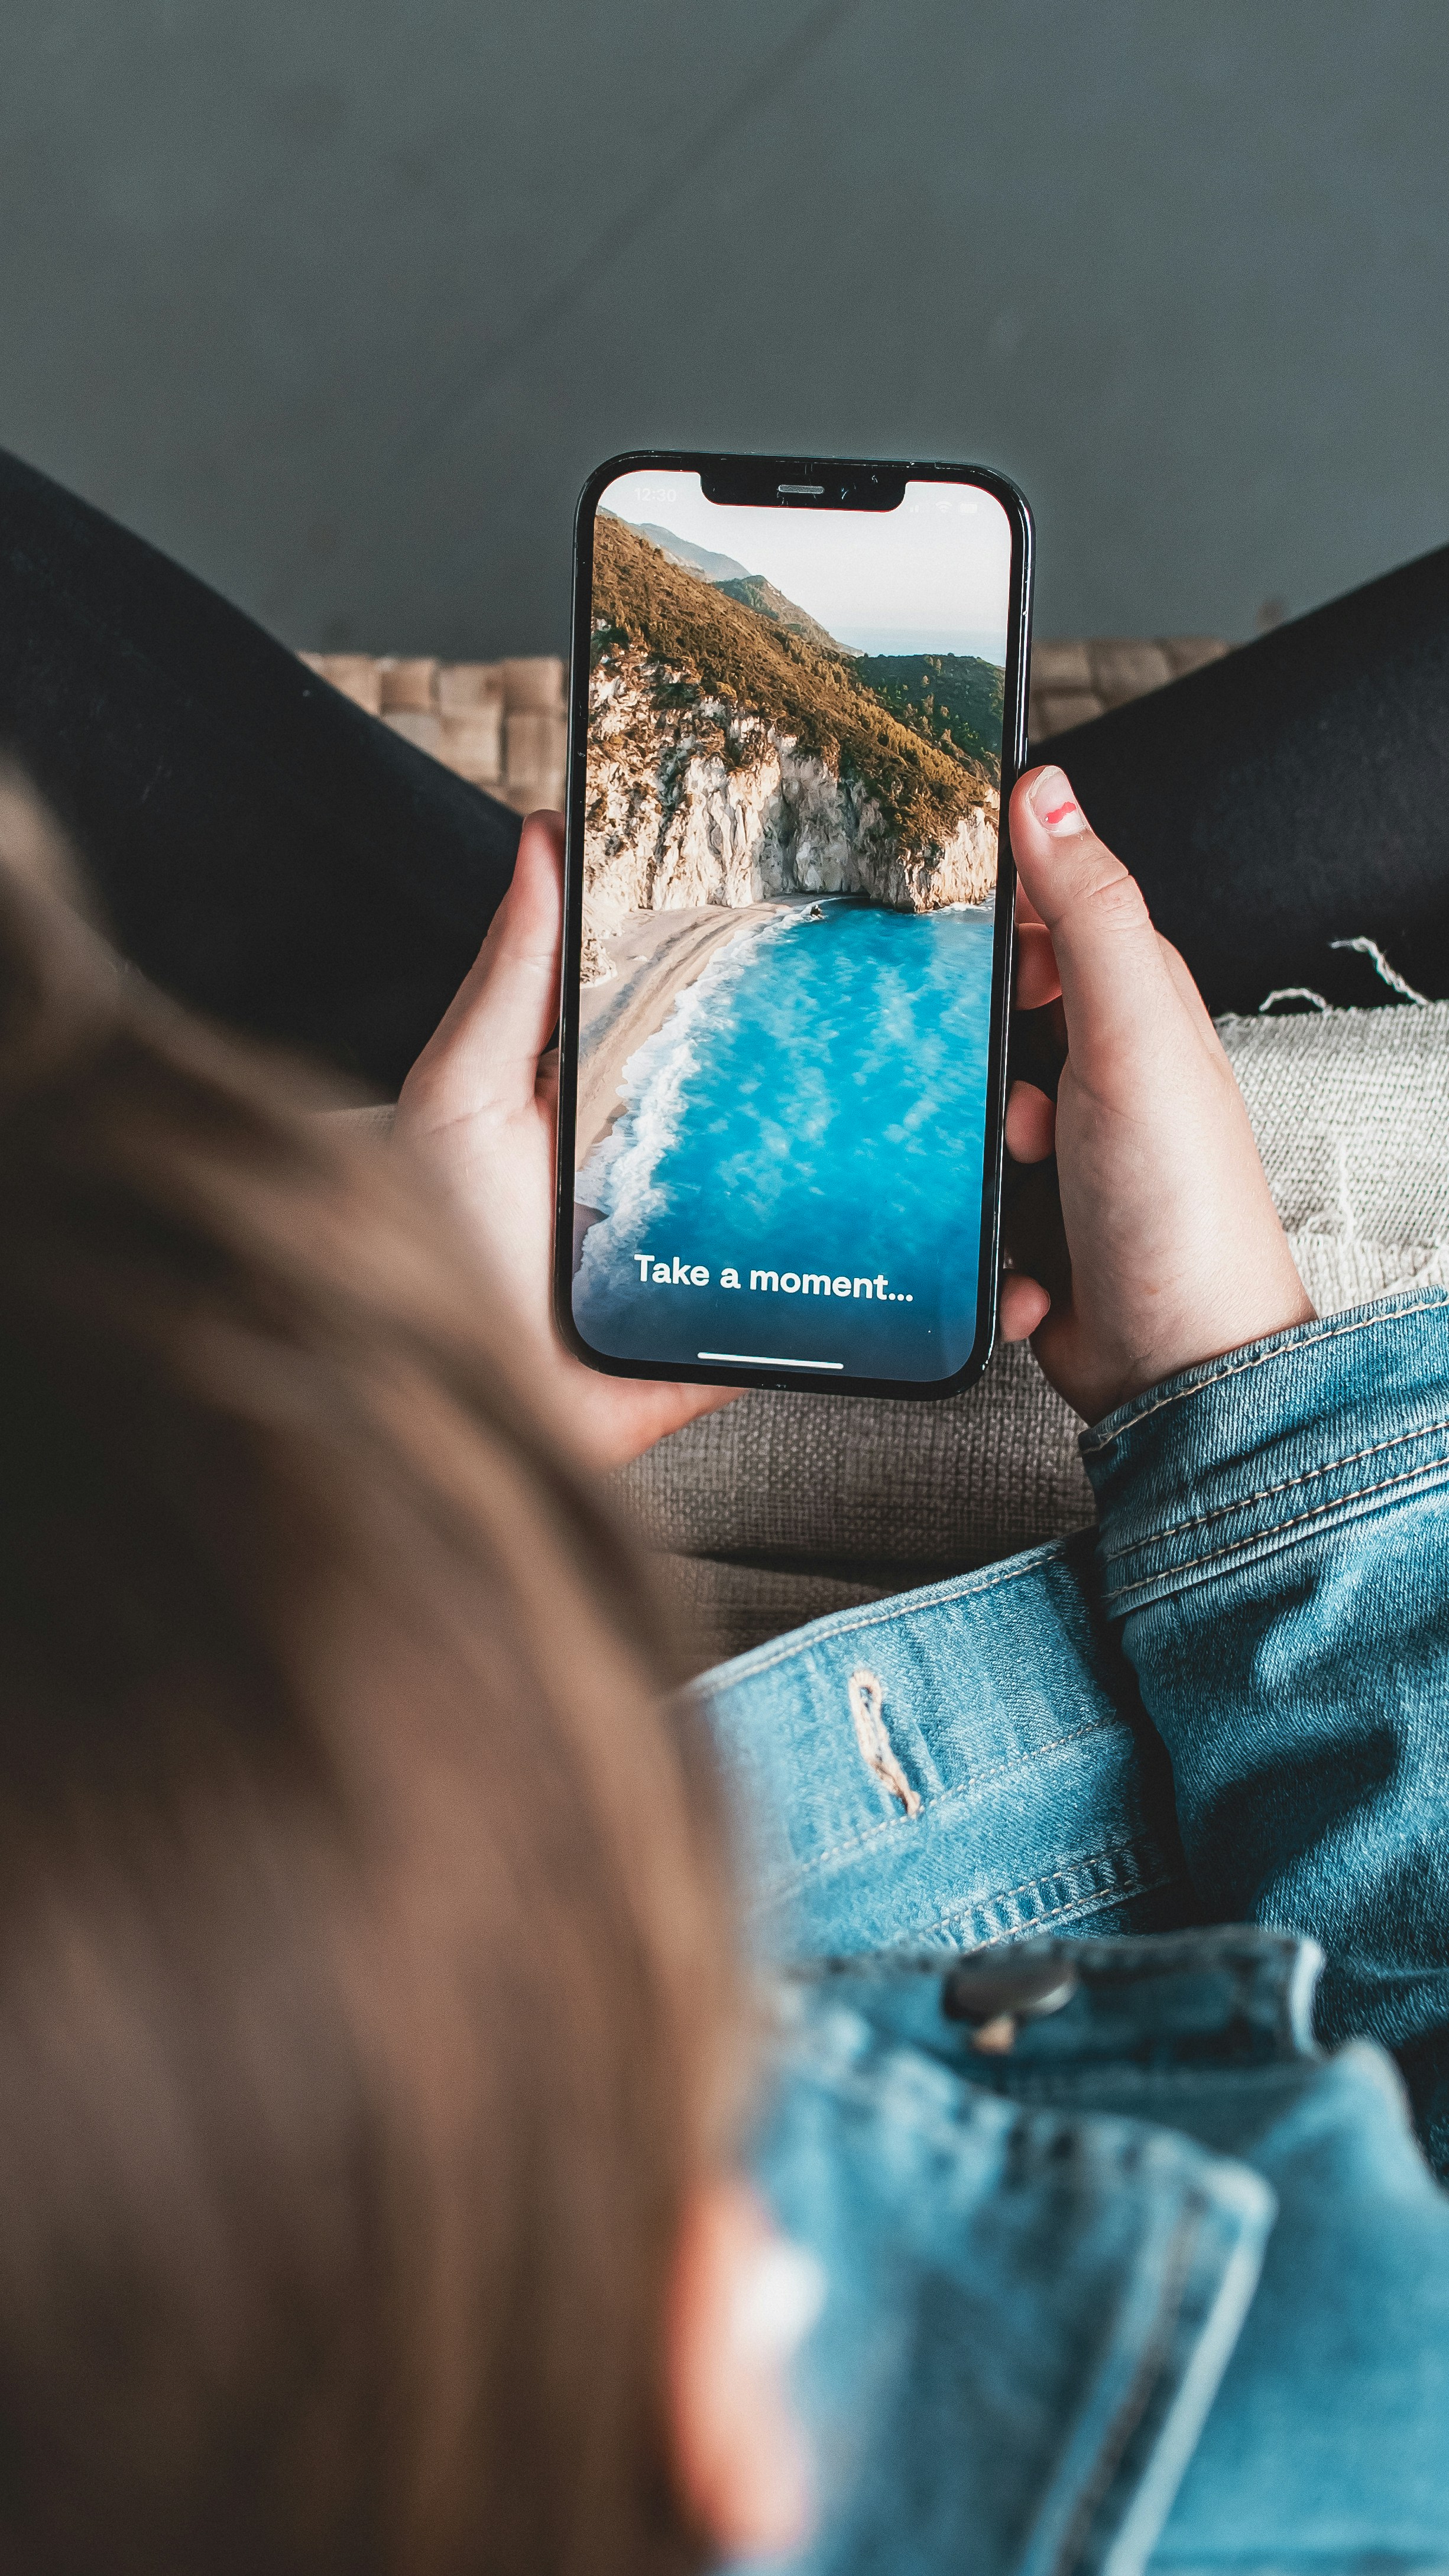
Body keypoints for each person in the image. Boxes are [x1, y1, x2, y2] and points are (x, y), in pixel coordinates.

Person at [2, 445, 1448, 2565]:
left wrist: (401, 1435)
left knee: (573, 963)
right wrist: (1231, 1394)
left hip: (477, 1527)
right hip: (1207, 1550)